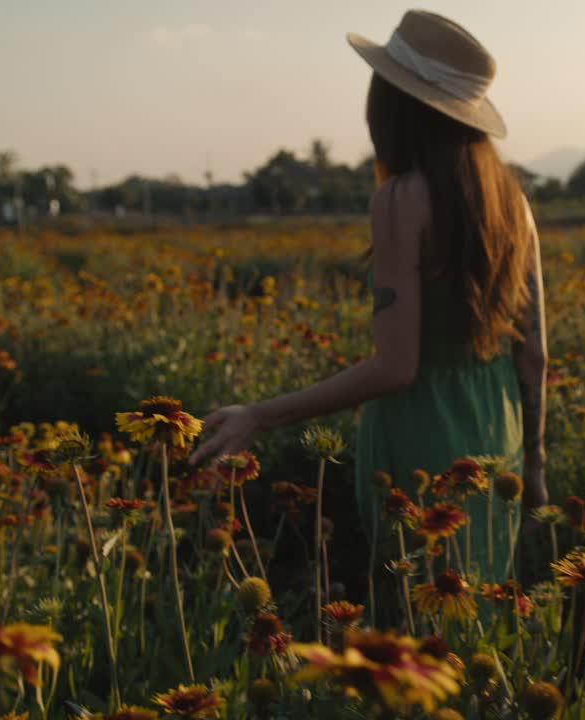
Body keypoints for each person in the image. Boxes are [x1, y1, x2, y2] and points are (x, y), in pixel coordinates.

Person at [188, 9, 547, 585]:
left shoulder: (401, 199)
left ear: (393, 104)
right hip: (495, 429)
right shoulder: (514, 201)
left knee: (418, 625)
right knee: (475, 611)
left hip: (423, 432)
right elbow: (535, 355)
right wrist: (534, 464)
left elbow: (397, 368)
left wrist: (260, 415)